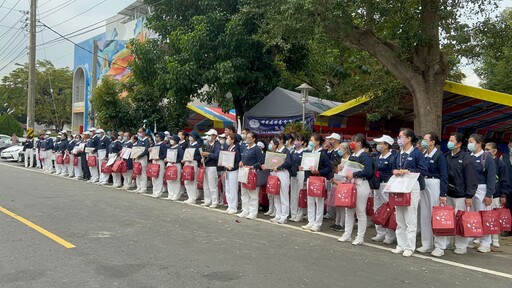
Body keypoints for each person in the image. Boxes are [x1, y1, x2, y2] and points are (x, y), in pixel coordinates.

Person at [390, 128, 427, 257]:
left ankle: (409, 247)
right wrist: (395, 171)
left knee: (410, 216)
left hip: (412, 185)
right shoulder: (398, 153)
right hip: (399, 185)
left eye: (401, 137)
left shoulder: (417, 153)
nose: (399, 139)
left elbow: (423, 169)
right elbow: (393, 166)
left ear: (409, 138)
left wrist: (408, 171)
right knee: (399, 217)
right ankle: (400, 244)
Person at [338, 133, 374, 245]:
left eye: (353, 141)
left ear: (359, 143)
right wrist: (341, 168)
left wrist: (354, 174)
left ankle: (360, 237)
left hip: (361, 185)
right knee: (348, 210)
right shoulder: (353, 155)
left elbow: (368, 172)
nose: (351, 143)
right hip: (351, 185)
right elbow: (348, 168)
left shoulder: (365, 156)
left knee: (360, 211)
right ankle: (347, 234)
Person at [417, 132, 448, 255]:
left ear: (432, 142)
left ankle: (440, 246)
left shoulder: (439, 155)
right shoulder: (423, 154)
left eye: (426, 139)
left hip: (435, 184)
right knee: (424, 214)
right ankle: (426, 243)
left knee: (436, 215)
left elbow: (444, 175)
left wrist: (443, 194)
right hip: (424, 183)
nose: (423, 142)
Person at [467, 134, 496, 253]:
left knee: (484, 216)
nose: (469, 144)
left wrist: (489, 194)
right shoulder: (469, 157)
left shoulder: (486, 158)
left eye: (471, 142)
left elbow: (491, 177)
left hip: (482, 189)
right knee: (473, 216)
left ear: (479, 144)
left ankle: (486, 242)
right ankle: (475, 238)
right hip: (470, 190)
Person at [300, 133, 333, 232]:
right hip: (310, 178)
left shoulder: (323, 153)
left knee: (319, 202)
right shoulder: (309, 152)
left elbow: (329, 167)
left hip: (319, 179)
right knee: (310, 200)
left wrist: (319, 171)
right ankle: (311, 221)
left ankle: (317, 223)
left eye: (312, 140)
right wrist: (303, 169)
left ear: (318, 142)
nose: (310, 142)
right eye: (310, 140)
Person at [370, 135, 397, 244]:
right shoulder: (377, 157)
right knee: (377, 208)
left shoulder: (392, 157)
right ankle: (380, 232)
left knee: (388, 209)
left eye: (381, 143)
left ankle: (390, 235)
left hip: (387, 185)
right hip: (377, 185)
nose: (378, 145)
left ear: (386, 145)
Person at [262, 134, 292, 224]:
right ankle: (278, 214)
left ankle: (284, 216)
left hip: (282, 173)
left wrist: (278, 167)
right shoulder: (275, 151)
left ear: (281, 141)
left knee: (283, 195)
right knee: (276, 194)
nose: (275, 141)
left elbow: (288, 163)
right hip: (274, 173)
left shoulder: (286, 151)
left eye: (277, 139)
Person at [485, 142, 510, 247]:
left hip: (496, 194)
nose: (485, 151)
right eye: (485, 149)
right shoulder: (483, 161)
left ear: (494, 151)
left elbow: (505, 180)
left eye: (487, 149)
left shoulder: (501, 164)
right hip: (485, 193)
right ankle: (483, 237)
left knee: (495, 217)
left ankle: (495, 239)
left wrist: (503, 194)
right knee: (485, 216)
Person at [237, 132, 264, 219]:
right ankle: (245, 210)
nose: (247, 138)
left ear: (253, 139)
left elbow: (260, 162)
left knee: (252, 192)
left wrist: (252, 166)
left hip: (252, 172)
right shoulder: (245, 148)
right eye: (246, 137)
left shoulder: (257, 149)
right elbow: (243, 158)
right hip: (243, 171)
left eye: (249, 137)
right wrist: (241, 162)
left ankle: (253, 212)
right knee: (244, 191)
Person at [201, 129, 221, 208]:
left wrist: (208, 154)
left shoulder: (217, 145)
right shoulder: (207, 144)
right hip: (206, 166)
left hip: (213, 166)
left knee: (212, 184)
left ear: (214, 136)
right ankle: (207, 200)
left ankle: (214, 201)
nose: (208, 137)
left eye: (210, 135)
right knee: (206, 184)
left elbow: (217, 156)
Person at [222, 133, 241, 214]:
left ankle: (233, 207)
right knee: (228, 189)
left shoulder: (236, 149)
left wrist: (232, 167)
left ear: (233, 140)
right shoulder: (228, 148)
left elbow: (238, 161)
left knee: (233, 189)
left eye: (228, 138)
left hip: (233, 171)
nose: (227, 140)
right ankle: (230, 205)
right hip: (227, 170)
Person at [182, 131, 202, 204]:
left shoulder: (197, 146)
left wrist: (193, 158)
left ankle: (193, 197)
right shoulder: (189, 145)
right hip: (187, 162)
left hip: (193, 163)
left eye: (191, 136)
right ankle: (189, 196)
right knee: (187, 180)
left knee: (192, 181)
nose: (190, 137)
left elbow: (200, 156)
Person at [289, 134, 306, 222]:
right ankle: (293, 213)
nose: (296, 142)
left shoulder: (305, 153)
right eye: (295, 140)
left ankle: (299, 214)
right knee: (293, 195)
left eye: (298, 140)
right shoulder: (292, 152)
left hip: (301, 174)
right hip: (293, 174)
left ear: (302, 142)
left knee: (300, 194)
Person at [164, 135, 185, 200]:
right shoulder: (170, 148)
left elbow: (182, 158)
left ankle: (176, 195)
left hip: (176, 165)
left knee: (175, 180)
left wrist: (175, 160)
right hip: (169, 164)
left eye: (172, 139)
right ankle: (170, 194)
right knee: (169, 180)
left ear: (175, 141)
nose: (171, 141)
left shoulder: (179, 148)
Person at [499, 139, 512, 237]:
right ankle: (508, 229)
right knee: (507, 209)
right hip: (507, 187)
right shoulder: (504, 157)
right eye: (510, 144)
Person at [149, 132, 168, 197]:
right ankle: (154, 191)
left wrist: (160, 158)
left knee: (159, 177)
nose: (156, 138)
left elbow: (166, 154)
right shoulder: (155, 145)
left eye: (157, 136)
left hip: (160, 161)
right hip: (154, 161)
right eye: (156, 136)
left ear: (161, 137)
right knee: (153, 177)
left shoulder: (163, 145)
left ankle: (158, 192)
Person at [134, 128, 150, 193]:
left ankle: (143, 188)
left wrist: (139, 156)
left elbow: (146, 150)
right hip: (137, 158)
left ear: (144, 132)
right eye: (138, 132)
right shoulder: (139, 140)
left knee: (143, 173)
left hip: (142, 158)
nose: (139, 133)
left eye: (140, 132)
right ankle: (139, 187)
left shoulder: (146, 140)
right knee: (137, 172)